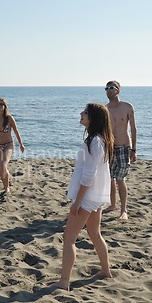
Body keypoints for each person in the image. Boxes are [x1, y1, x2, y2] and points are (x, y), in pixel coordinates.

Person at [51, 103, 114, 291]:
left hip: (88, 197)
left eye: (85, 112)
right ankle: (105, 271)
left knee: (69, 237)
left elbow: (89, 175)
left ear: (93, 118)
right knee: (95, 234)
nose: (81, 114)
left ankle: (64, 282)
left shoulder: (94, 141)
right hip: (95, 196)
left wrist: (78, 202)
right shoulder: (100, 139)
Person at [104, 80, 137, 220]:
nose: (108, 90)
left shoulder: (127, 107)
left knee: (120, 179)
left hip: (124, 147)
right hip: (110, 147)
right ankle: (113, 205)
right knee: (110, 178)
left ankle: (124, 210)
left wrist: (134, 150)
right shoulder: (105, 109)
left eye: (111, 88)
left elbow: (134, 129)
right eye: (106, 88)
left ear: (118, 90)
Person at [0, 98, 25, 193]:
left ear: (5, 106)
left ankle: (7, 187)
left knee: (3, 164)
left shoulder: (9, 118)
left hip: (9, 144)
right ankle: (5, 185)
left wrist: (21, 144)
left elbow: (16, 131)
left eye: (2, 104)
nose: (0, 106)